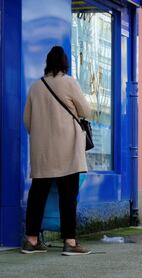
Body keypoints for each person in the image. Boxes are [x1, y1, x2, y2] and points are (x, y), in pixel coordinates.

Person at [22, 46, 91, 255]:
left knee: (37, 195)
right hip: (67, 150)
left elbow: (27, 121)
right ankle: (70, 242)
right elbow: (86, 111)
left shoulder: (35, 87)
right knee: (67, 196)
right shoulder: (69, 82)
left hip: (42, 151)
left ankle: (31, 241)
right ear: (64, 63)